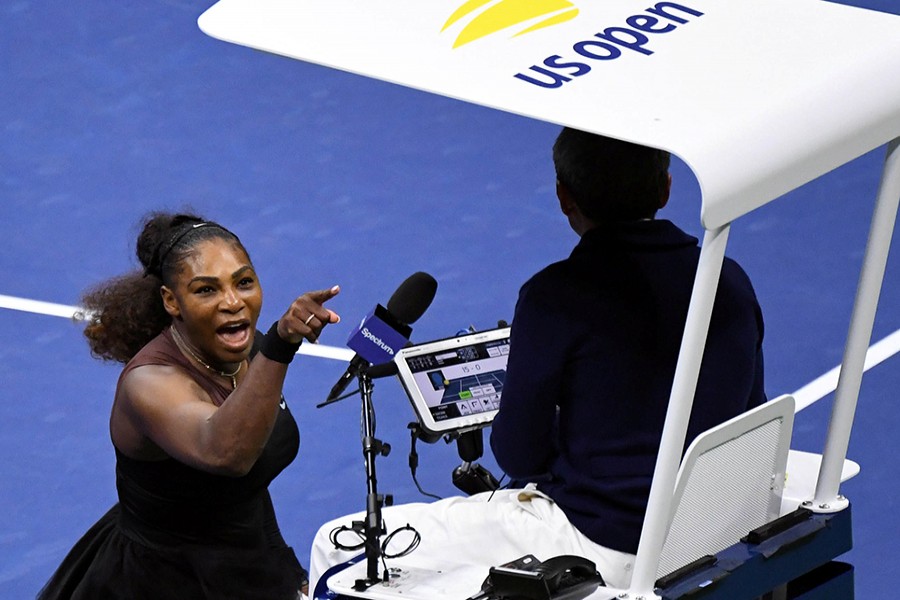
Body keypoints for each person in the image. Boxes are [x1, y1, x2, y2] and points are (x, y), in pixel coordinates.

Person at [308, 128, 765, 594]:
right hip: (713, 533)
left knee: (339, 548)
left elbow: (518, 455)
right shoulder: (730, 281)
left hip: (602, 546)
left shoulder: (555, 297)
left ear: (565, 198)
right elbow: (750, 414)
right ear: (667, 187)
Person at [38, 212, 340, 600]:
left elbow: (251, 482)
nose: (233, 302)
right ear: (171, 301)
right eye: (206, 290)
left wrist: (282, 560)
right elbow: (226, 452)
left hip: (245, 572)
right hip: (158, 586)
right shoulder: (148, 385)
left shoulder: (248, 354)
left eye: (244, 282)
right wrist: (280, 347)